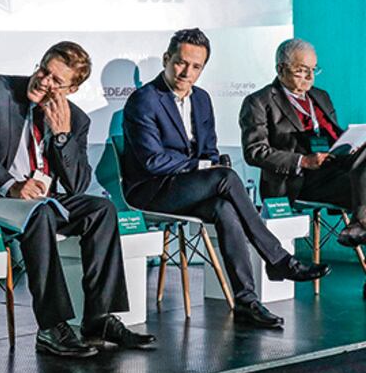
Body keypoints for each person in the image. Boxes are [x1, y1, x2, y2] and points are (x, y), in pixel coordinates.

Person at [0, 42, 154, 358]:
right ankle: (52, 327)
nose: (43, 81)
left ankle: (98, 319)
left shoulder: (76, 120)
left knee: (101, 210)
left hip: (43, 202)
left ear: (72, 89)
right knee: (36, 214)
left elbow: (77, 185)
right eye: (43, 70)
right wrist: (11, 186)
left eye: (56, 80)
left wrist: (63, 135)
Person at [122, 28, 328, 329]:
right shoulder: (144, 100)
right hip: (151, 190)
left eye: (196, 67)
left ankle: (246, 301)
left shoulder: (202, 99)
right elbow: (153, 161)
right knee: (226, 178)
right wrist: (202, 166)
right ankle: (279, 259)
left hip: (188, 186)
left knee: (225, 209)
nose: (187, 72)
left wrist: (208, 164)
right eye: (181, 62)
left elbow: (209, 150)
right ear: (167, 59)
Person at [240, 38, 366, 249]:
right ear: (281, 68)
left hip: (334, 167)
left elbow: (333, 135)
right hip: (298, 181)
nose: (309, 77)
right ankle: (360, 222)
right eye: (302, 70)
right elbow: (254, 151)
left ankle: (359, 222)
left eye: (313, 70)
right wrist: (303, 161)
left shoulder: (320, 96)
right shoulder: (259, 102)